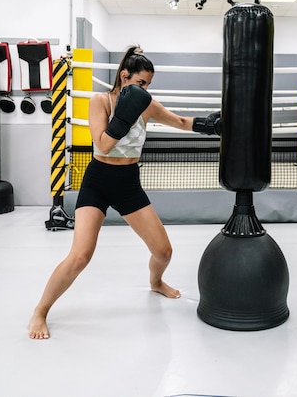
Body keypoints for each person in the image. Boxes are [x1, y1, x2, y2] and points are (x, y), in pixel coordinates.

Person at [29, 45, 220, 340]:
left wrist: (211, 125)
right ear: (124, 75)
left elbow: (180, 121)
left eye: (148, 85)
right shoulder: (100, 100)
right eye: (140, 83)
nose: (144, 90)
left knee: (164, 251)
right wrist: (125, 115)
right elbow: (103, 145)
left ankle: (156, 282)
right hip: (98, 180)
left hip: (128, 182)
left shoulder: (147, 104)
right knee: (80, 255)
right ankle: (40, 311)